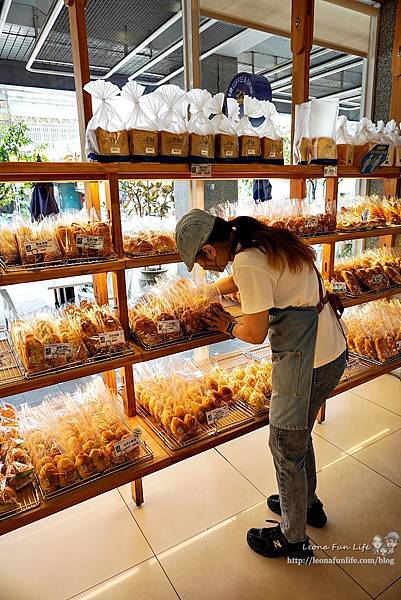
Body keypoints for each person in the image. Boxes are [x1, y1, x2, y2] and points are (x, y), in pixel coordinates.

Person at [175, 209, 347, 562]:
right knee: (299, 434)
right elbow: (237, 282)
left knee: (284, 441)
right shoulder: (261, 241)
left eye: (203, 263)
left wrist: (225, 325)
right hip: (330, 351)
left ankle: (293, 538)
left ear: (209, 251)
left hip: (309, 361)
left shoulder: (247, 261)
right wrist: (203, 293)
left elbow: (253, 333)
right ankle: (305, 505)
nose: (209, 270)